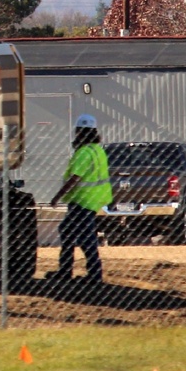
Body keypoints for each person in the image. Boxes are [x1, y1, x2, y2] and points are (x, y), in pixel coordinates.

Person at [47, 113, 113, 285]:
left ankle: (90, 274)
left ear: (79, 132)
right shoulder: (97, 150)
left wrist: (57, 196)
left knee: (82, 237)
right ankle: (69, 272)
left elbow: (74, 178)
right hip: (91, 201)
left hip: (82, 201)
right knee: (70, 232)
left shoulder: (84, 153)